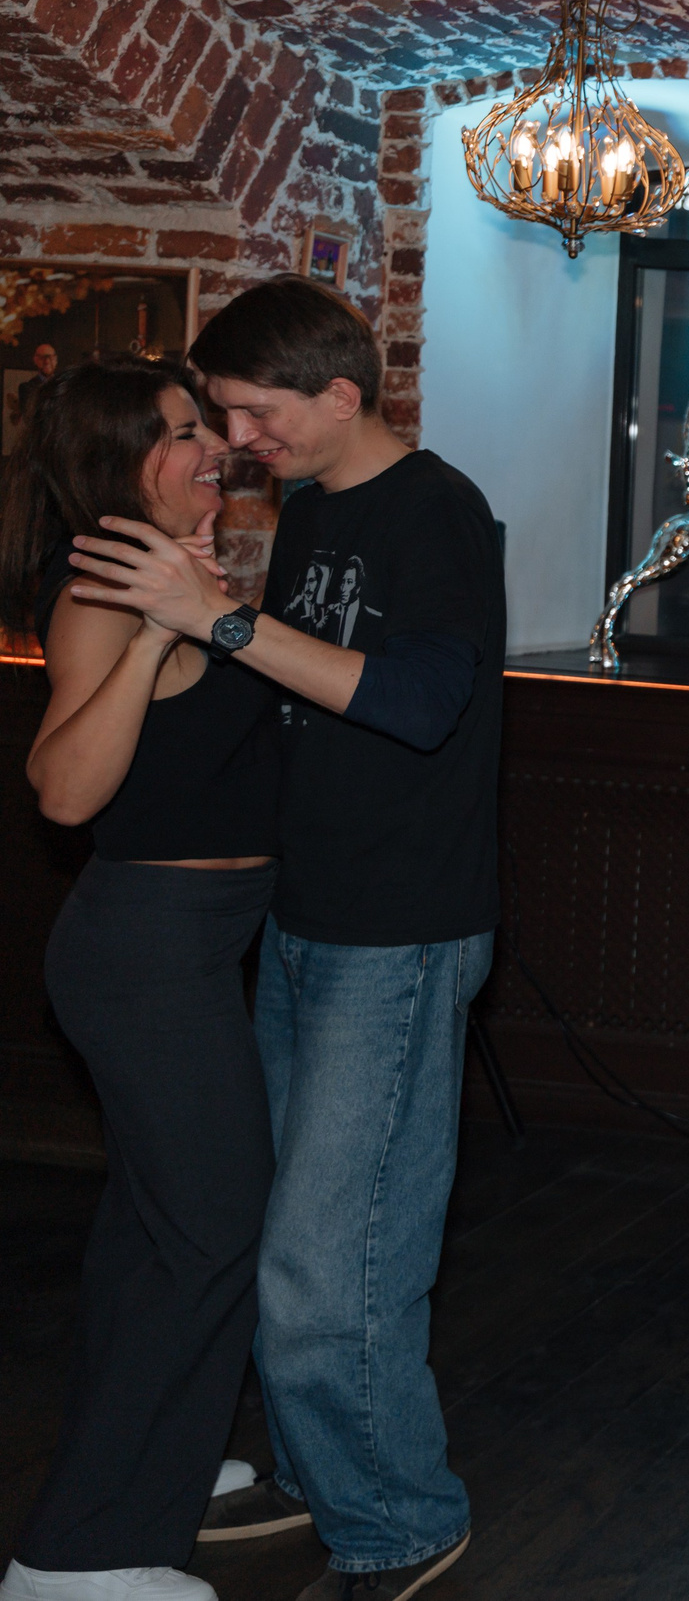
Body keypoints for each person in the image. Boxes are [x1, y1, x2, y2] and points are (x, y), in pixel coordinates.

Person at [59, 278, 504, 1601]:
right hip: (306, 916)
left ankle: (402, 1518)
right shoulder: (312, 512)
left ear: (339, 397)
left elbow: (420, 703)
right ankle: (333, 1473)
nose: (239, 439)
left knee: (334, 1252)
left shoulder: (440, 510)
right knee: (292, 1236)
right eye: (224, 416)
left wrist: (219, 622)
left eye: (253, 412)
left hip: (401, 926)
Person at [0, 357, 277, 1601]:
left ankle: (149, 1462)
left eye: (205, 426)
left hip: (195, 940)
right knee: (212, 1225)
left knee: (152, 1232)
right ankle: (78, 1557)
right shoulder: (104, 591)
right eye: (180, 434)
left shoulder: (176, 573)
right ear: (122, 463)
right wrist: (162, 629)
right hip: (145, 945)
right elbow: (65, 791)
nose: (211, 446)